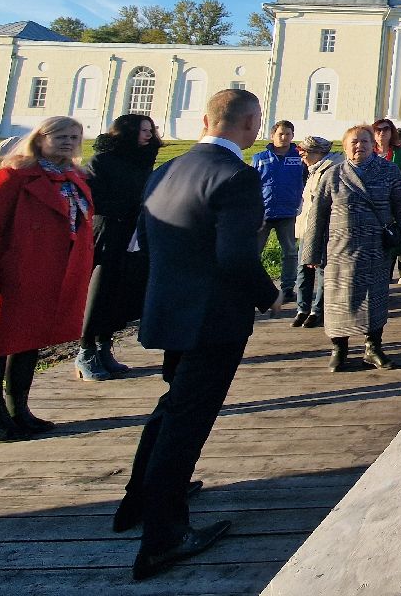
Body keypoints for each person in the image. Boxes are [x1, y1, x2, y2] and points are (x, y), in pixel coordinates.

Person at [115, 90, 280, 581]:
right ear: (252, 124)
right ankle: (163, 536)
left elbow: (148, 240)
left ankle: (138, 501)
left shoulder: (167, 169)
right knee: (188, 420)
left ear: (206, 119)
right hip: (213, 318)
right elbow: (235, 257)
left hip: (170, 308)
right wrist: (268, 296)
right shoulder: (236, 176)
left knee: (173, 406)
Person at [0, 117, 93, 442]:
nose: (67, 141)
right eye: (59, 135)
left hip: (49, 275)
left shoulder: (73, 178)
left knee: (29, 343)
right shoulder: (13, 177)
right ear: (39, 137)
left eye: (74, 136)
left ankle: (20, 410)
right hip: (14, 274)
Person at [302, 125, 401, 372]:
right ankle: (339, 349)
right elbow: (317, 216)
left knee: (374, 299)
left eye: (364, 141)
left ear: (372, 144)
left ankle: (373, 347)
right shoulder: (333, 175)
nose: (359, 146)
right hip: (340, 250)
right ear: (345, 146)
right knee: (338, 301)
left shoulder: (388, 171)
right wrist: (311, 251)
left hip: (375, 248)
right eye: (354, 142)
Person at [77, 114, 163, 380]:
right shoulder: (102, 160)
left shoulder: (142, 160)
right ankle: (86, 349)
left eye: (150, 130)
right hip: (108, 232)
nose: (149, 134)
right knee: (100, 289)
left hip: (133, 232)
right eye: (143, 130)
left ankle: (105, 345)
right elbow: (93, 198)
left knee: (121, 290)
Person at [252, 120, 305, 305]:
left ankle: (288, 288)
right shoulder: (259, 158)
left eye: (288, 134)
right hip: (264, 213)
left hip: (288, 212)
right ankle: (255, 287)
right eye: (280, 134)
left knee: (290, 252)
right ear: (272, 135)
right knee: (255, 252)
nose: (284, 137)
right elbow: (253, 184)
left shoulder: (299, 157)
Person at [292, 136, 338, 328]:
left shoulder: (330, 170)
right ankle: (302, 308)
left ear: (318, 153)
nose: (302, 155)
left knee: (321, 270)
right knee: (302, 269)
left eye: (305, 151)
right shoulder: (311, 169)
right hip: (306, 227)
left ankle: (317, 310)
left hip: (323, 228)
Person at [372, 119, 401, 282]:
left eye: (385, 130)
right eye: (378, 130)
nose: (381, 133)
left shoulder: (400, 153)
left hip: (392, 206)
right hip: (371, 207)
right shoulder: (368, 151)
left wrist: (394, 184)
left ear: (392, 133)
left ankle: (390, 277)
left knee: (390, 242)